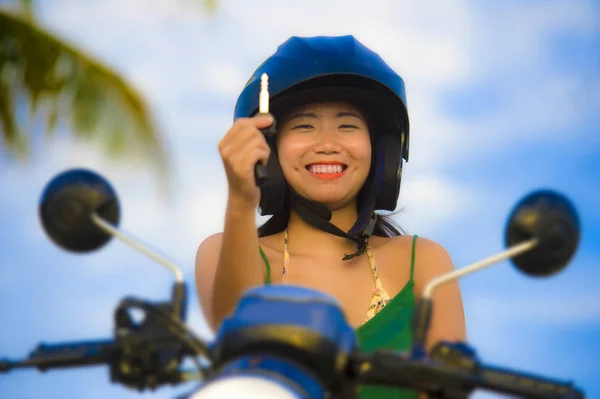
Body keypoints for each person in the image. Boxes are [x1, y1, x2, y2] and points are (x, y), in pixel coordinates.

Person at [195, 35, 466, 398]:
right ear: (269, 151)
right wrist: (241, 201)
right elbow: (234, 335)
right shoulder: (224, 251)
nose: (327, 143)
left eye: (347, 125)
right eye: (303, 126)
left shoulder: (425, 264)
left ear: (382, 151)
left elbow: (451, 388)